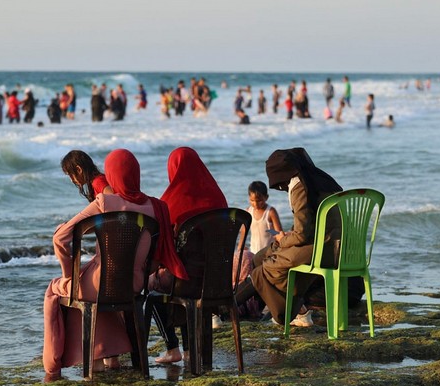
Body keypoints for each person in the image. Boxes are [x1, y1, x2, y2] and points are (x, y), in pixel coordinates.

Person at [43, 149, 188, 378]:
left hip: (103, 282)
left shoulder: (103, 201)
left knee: (58, 288)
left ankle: (60, 363)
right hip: (134, 284)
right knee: (96, 289)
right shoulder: (155, 207)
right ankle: (108, 357)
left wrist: (69, 274)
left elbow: (60, 238)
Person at [235, 148, 343, 328]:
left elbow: (301, 235)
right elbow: (309, 224)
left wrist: (282, 240)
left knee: (265, 268)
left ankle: (292, 311)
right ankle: (292, 310)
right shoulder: (321, 181)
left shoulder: (299, 186)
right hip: (337, 246)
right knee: (260, 257)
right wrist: (285, 238)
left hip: (321, 249)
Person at [147, 147, 227, 365]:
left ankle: (173, 347)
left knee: (153, 285)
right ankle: (190, 350)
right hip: (218, 281)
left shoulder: (172, 201)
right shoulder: (218, 197)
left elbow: (163, 248)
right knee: (182, 272)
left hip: (187, 283)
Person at [246, 180, 282, 254]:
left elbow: (278, 233)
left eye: (259, 201)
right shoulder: (248, 211)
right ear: (249, 198)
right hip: (253, 252)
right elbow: (243, 231)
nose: (255, 204)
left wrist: (270, 231)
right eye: (252, 200)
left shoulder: (270, 212)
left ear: (266, 197)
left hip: (269, 252)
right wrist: (241, 247)